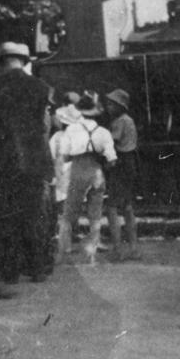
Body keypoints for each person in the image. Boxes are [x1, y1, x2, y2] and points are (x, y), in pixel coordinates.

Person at [0, 42, 54, 284]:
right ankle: (37, 268)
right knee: (34, 214)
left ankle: (9, 271)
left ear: (1, 62)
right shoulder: (41, 87)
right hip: (33, 160)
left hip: (2, 160)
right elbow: (43, 127)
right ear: (24, 60)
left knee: (5, 215)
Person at [59, 90, 117, 264]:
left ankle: (64, 251)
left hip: (78, 170)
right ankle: (91, 253)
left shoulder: (71, 129)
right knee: (95, 214)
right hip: (97, 171)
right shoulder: (103, 132)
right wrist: (101, 165)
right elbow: (112, 160)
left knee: (69, 213)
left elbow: (65, 156)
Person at [104, 88, 141, 261]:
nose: (108, 107)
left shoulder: (119, 121)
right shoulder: (130, 120)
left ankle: (117, 249)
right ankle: (133, 248)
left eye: (112, 104)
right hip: (130, 163)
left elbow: (112, 140)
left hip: (120, 164)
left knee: (111, 207)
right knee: (127, 206)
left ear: (120, 106)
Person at [49, 101, 81, 263]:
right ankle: (67, 244)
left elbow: (56, 158)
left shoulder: (57, 138)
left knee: (62, 214)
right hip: (74, 176)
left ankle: (64, 246)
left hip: (62, 176)